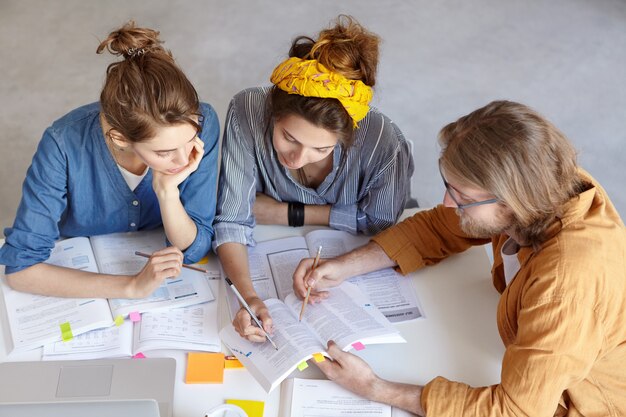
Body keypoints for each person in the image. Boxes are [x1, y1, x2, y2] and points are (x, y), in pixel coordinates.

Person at [293, 101, 626, 416]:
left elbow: (515, 410)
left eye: (463, 197)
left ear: (512, 200)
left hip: (581, 403)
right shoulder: (543, 183)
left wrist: (375, 388)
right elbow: (440, 226)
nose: (448, 203)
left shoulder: (565, 289)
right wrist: (343, 266)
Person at [214, 15, 414, 342]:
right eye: (288, 138)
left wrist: (287, 213)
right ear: (273, 115)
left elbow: (381, 219)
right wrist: (249, 297)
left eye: (320, 148)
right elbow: (232, 220)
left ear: (347, 137)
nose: (297, 158)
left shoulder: (382, 138)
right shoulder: (248, 110)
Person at [0, 21, 220, 299]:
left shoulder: (205, 121)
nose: (184, 160)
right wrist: (131, 286)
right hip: (80, 266)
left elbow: (195, 249)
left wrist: (167, 194)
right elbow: (21, 269)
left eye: (189, 142)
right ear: (120, 139)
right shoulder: (62, 143)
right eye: (163, 152)